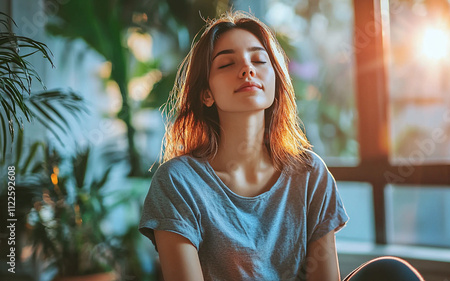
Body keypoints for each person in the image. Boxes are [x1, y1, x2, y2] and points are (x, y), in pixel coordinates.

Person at [139, 11, 424, 281]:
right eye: (227, 64)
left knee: (392, 272)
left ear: (275, 80)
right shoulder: (178, 182)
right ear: (206, 94)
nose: (247, 69)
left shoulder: (310, 174)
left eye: (259, 61)